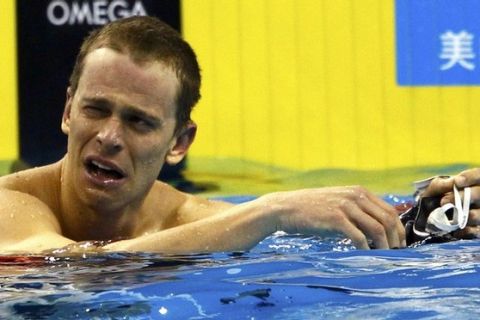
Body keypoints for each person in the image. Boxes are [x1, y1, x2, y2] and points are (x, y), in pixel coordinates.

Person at [0, 16, 476, 254]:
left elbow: (318, 247)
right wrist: (271, 210)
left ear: (179, 143)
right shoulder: (12, 203)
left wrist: (420, 226)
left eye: (139, 121)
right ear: (67, 111)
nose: (108, 136)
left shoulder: (194, 220)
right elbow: (63, 267)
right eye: (96, 110)